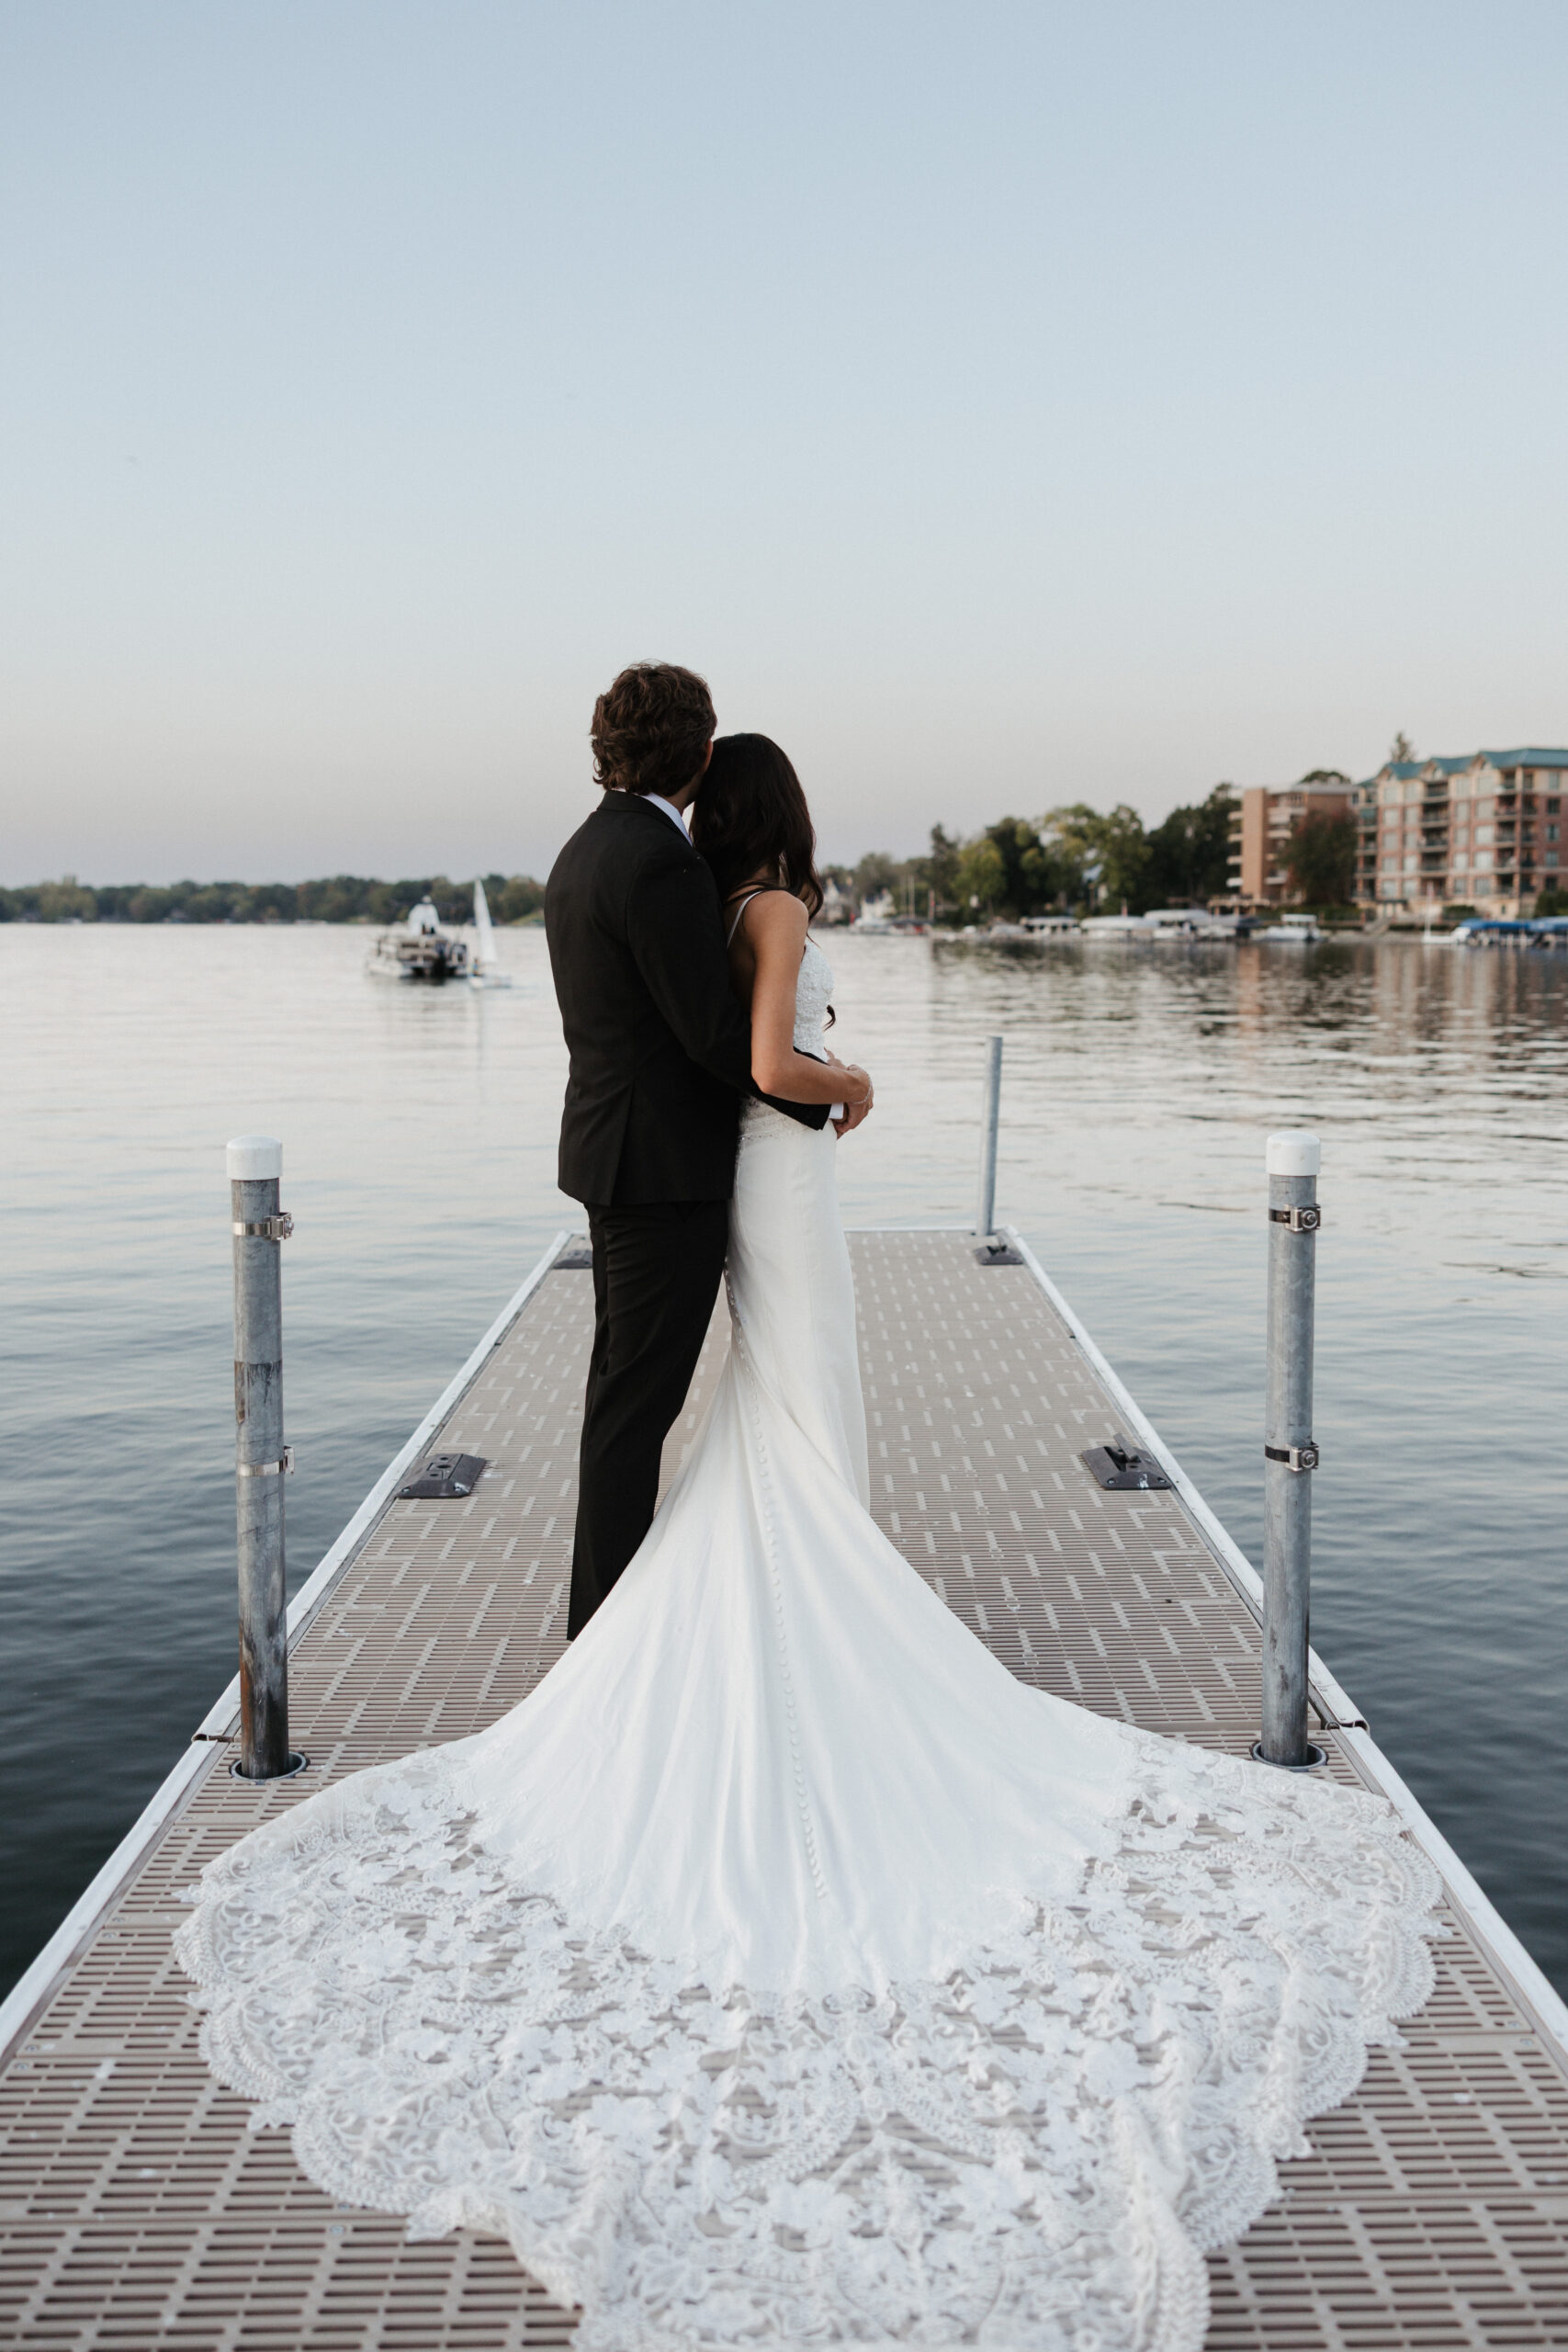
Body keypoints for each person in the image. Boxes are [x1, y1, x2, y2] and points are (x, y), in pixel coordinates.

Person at [177, 707, 1438, 2352]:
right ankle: (742, 1643)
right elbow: (769, 1064)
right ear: (783, 807)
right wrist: (857, 1081)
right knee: (780, 1425)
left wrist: (805, 1086)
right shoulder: (765, 909)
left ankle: (710, 1618)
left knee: (756, 1432)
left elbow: (721, 1048)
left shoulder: (683, 887)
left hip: (745, 1185)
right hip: (772, 1181)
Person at [541, 664, 873, 1635]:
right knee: (633, 1411)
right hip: (662, 1173)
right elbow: (714, 1039)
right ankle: (600, 1634)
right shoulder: (658, 861)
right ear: (693, 750)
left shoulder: (585, 850)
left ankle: (613, 1615)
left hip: (619, 1160)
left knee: (626, 1400)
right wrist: (825, 1092)